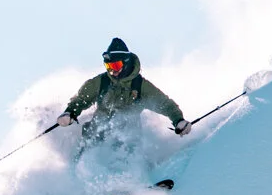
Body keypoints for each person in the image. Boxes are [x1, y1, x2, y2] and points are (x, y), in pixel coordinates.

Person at [57, 38, 190, 138]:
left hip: (126, 138)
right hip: (96, 134)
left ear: (126, 63)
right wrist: (70, 113)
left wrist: (178, 120)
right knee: (90, 141)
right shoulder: (101, 82)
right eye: (109, 67)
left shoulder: (140, 86)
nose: (112, 72)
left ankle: (133, 172)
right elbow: (81, 99)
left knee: (125, 140)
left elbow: (164, 104)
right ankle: (78, 172)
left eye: (115, 66)